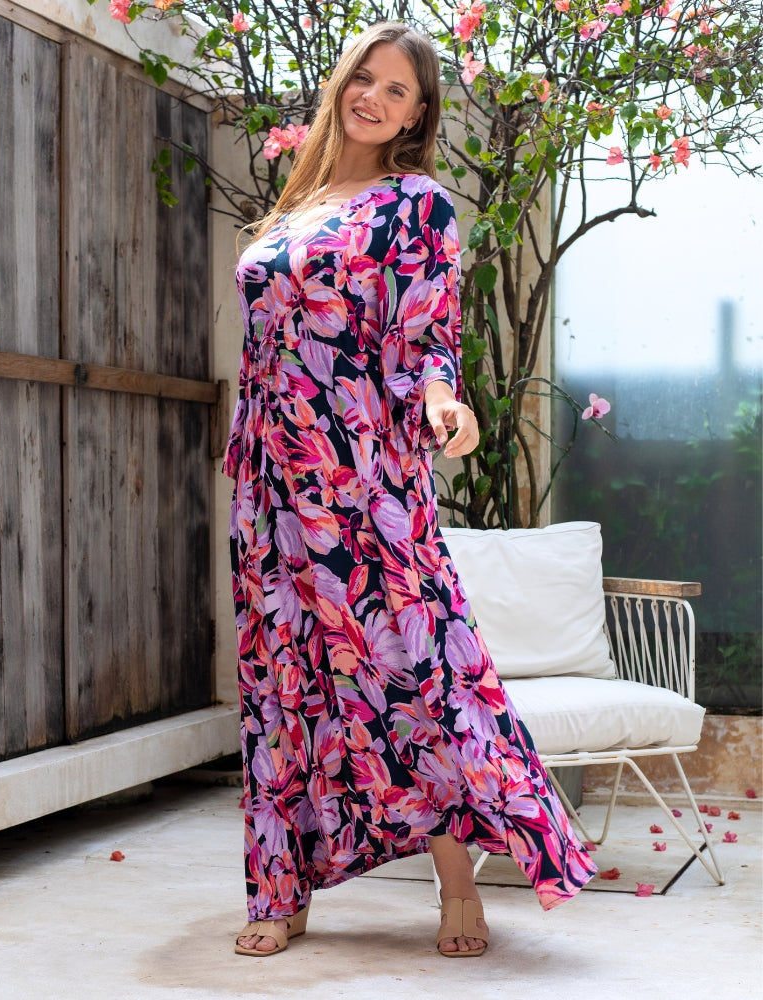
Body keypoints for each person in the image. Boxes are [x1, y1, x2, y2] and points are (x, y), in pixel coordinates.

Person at [223, 21, 597, 959]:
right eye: (366, 78)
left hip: (362, 474)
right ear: (342, 83)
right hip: (270, 478)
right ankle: (280, 888)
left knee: (409, 666)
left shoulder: (416, 203)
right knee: (283, 677)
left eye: (397, 90)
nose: (373, 98)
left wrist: (442, 400)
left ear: (416, 115)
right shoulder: (298, 199)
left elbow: (431, 331)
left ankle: (459, 887)